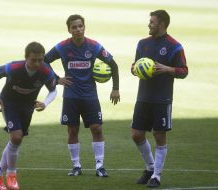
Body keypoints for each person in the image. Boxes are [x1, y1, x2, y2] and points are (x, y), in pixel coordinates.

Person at [44, 14, 120, 177]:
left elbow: (113, 64)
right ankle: (76, 166)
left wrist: (115, 89)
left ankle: (99, 166)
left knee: (97, 128)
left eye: (80, 26)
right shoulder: (62, 47)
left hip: (90, 96)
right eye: (74, 27)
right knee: (72, 130)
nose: (78, 30)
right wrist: (57, 79)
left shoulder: (94, 46)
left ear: (84, 27)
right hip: (71, 96)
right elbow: (44, 61)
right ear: (69, 30)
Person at [131, 10, 188, 188]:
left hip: (162, 99)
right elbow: (134, 66)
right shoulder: (142, 43)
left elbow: (184, 71)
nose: (149, 24)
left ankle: (156, 176)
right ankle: (149, 167)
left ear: (162, 23)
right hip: (143, 97)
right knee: (136, 135)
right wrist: (135, 69)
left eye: (152, 22)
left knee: (159, 135)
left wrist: (167, 69)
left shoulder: (175, 46)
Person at [0, 42, 57, 190]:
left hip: (28, 106)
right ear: (26, 57)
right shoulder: (14, 67)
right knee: (16, 137)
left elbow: (53, 90)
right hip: (9, 103)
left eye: (40, 60)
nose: (37, 63)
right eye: (34, 60)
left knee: (16, 141)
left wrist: (45, 103)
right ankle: (11, 175)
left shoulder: (46, 71)